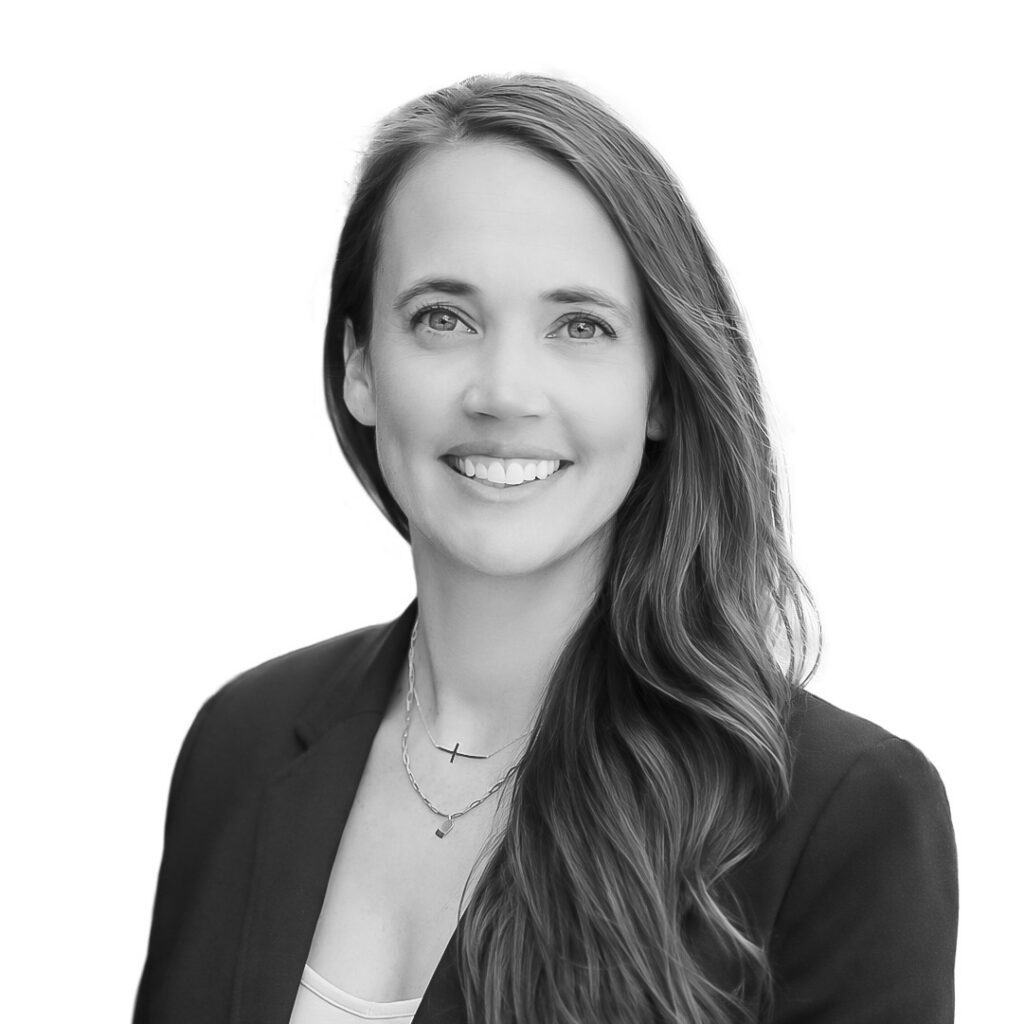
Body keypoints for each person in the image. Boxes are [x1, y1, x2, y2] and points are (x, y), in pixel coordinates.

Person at [133, 73, 958, 1024]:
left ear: (659, 389)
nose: (505, 391)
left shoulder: (836, 814)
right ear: (361, 366)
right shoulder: (240, 742)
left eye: (580, 326)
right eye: (444, 318)